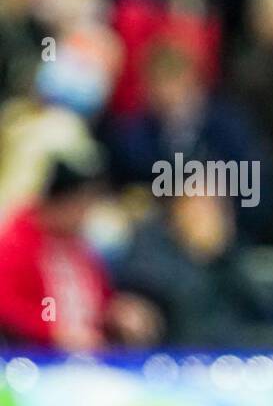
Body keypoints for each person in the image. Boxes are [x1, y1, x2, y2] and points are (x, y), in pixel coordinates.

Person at [0, 149, 161, 351]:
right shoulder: (17, 244)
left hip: (87, 354)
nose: (85, 214)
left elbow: (96, 298)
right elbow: (8, 307)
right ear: (62, 204)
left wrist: (115, 310)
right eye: (81, 205)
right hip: (36, 358)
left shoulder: (78, 247)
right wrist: (51, 331)